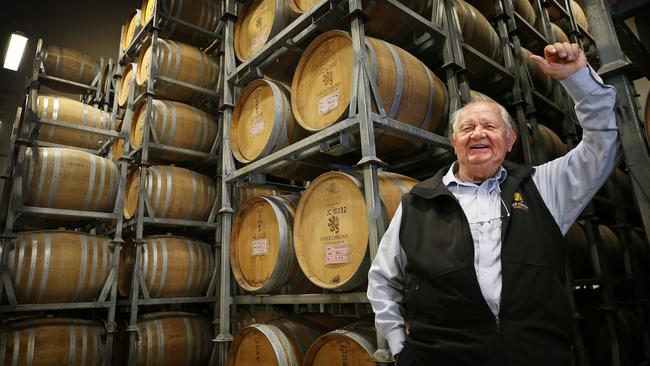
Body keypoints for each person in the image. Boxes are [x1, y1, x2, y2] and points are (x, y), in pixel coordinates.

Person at [367, 42, 618, 365]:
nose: (477, 134)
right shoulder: (418, 202)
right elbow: (384, 279)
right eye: (467, 128)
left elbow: (603, 144)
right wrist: (400, 347)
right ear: (454, 142)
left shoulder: (542, 186)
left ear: (510, 141)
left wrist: (578, 80)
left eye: (489, 127)